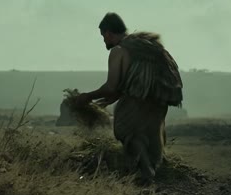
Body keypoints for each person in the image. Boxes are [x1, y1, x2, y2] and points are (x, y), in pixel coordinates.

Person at [76, 12, 183, 185]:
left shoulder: (119, 50)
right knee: (150, 134)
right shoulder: (143, 46)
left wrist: (87, 97)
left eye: (103, 36)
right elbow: (129, 82)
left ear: (109, 33)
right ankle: (152, 171)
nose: (104, 40)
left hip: (138, 100)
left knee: (124, 130)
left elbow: (111, 85)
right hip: (159, 100)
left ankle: (147, 173)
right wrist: (111, 99)